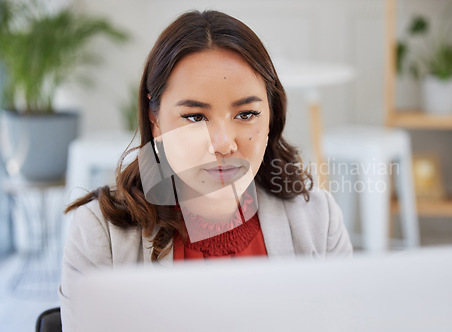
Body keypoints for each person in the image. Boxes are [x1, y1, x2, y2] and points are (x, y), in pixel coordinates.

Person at [59, 9, 352, 331]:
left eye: (246, 114)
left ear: (272, 115)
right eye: (196, 117)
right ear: (155, 120)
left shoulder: (318, 219)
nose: (223, 144)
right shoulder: (100, 233)